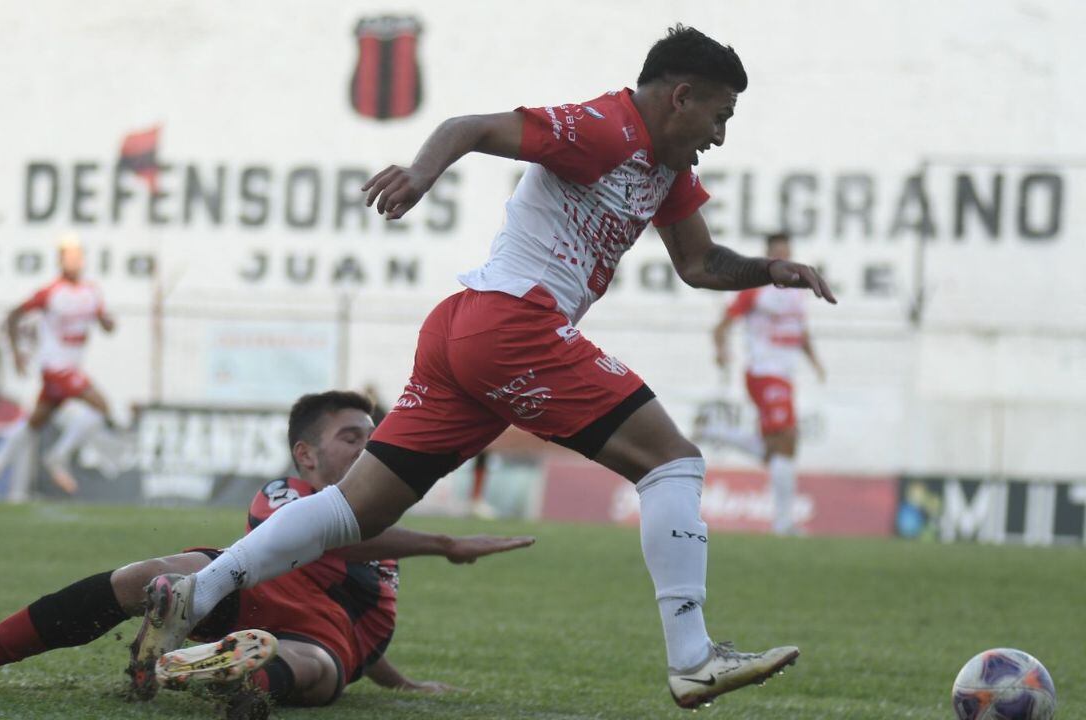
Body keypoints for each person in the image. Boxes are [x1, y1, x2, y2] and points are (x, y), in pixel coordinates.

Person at [129, 25, 836, 710]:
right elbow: (468, 125)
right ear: (682, 96)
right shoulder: (603, 129)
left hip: (467, 332)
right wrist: (420, 173)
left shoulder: (666, 167)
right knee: (671, 464)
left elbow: (698, 262)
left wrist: (773, 270)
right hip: (515, 325)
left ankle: (200, 590)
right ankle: (693, 659)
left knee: (355, 510)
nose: (721, 133)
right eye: (721, 114)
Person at [0, 390, 534, 713]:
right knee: (164, 572)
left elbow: (368, 625)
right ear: (307, 454)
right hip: (250, 597)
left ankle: (227, 680)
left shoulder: (384, 518)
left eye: (375, 436)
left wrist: (398, 680)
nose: (371, 445)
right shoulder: (289, 493)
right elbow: (329, 532)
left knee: (307, 664)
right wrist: (444, 543)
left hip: (327, 639)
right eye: (354, 436)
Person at [0, 233, 115, 497]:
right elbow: (13, 316)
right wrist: (16, 352)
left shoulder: (91, 292)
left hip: (70, 368)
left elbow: (104, 322)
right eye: (69, 256)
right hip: (56, 368)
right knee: (102, 407)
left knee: (33, 424)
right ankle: (58, 457)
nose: (74, 261)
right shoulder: (50, 293)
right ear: (60, 261)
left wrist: (109, 323)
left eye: (77, 256)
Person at [705, 232, 825, 535]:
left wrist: (814, 361)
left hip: (783, 374)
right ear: (769, 255)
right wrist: (721, 350)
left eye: (786, 250)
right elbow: (722, 324)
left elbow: (800, 330)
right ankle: (783, 524)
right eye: (777, 252)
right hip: (763, 372)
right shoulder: (756, 289)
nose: (783, 256)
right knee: (784, 439)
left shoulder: (797, 290)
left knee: (782, 446)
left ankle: (722, 434)